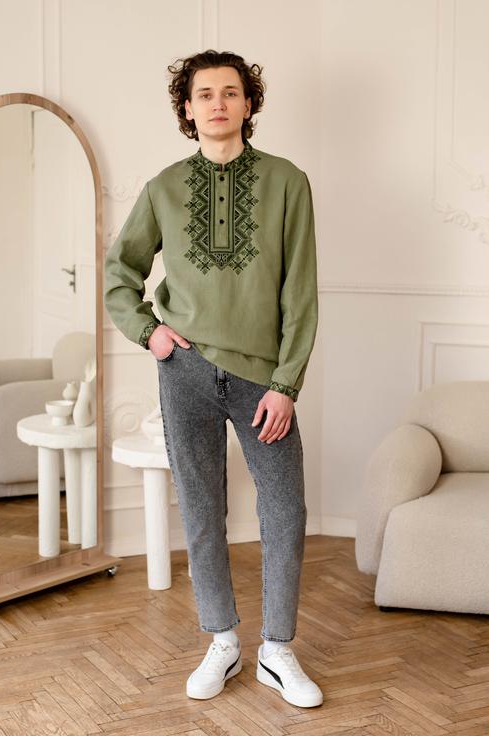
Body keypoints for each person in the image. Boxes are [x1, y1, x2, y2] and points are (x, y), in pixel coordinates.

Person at [104, 49, 321, 708]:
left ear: (248, 104)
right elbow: (120, 273)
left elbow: (299, 291)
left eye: (230, 92)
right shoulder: (164, 188)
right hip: (187, 371)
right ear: (188, 108)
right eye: (205, 94)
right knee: (201, 512)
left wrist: (287, 383)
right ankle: (223, 641)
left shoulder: (287, 182)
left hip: (264, 380)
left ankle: (277, 650)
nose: (218, 103)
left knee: (284, 510)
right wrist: (150, 332)